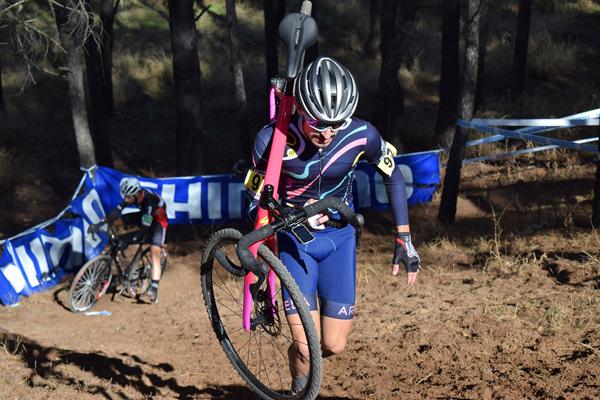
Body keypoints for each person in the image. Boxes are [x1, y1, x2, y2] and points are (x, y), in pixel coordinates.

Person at [246, 56, 421, 392]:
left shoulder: (362, 134)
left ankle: (301, 362)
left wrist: (404, 238)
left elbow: (393, 175)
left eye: (336, 123)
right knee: (307, 348)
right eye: (317, 122)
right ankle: (299, 390)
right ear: (300, 108)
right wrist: (280, 218)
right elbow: (253, 199)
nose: (326, 133)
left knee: (332, 346)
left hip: (340, 241)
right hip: (296, 243)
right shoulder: (272, 140)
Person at [89, 177, 168, 304]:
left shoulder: (149, 202)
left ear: (136, 194)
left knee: (154, 253)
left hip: (157, 222)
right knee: (118, 221)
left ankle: (153, 289)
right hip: (143, 216)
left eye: (127, 197)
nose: (125, 200)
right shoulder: (133, 196)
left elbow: (144, 229)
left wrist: (127, 239)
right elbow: (116, 212)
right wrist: (98, 225)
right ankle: (125, 268)